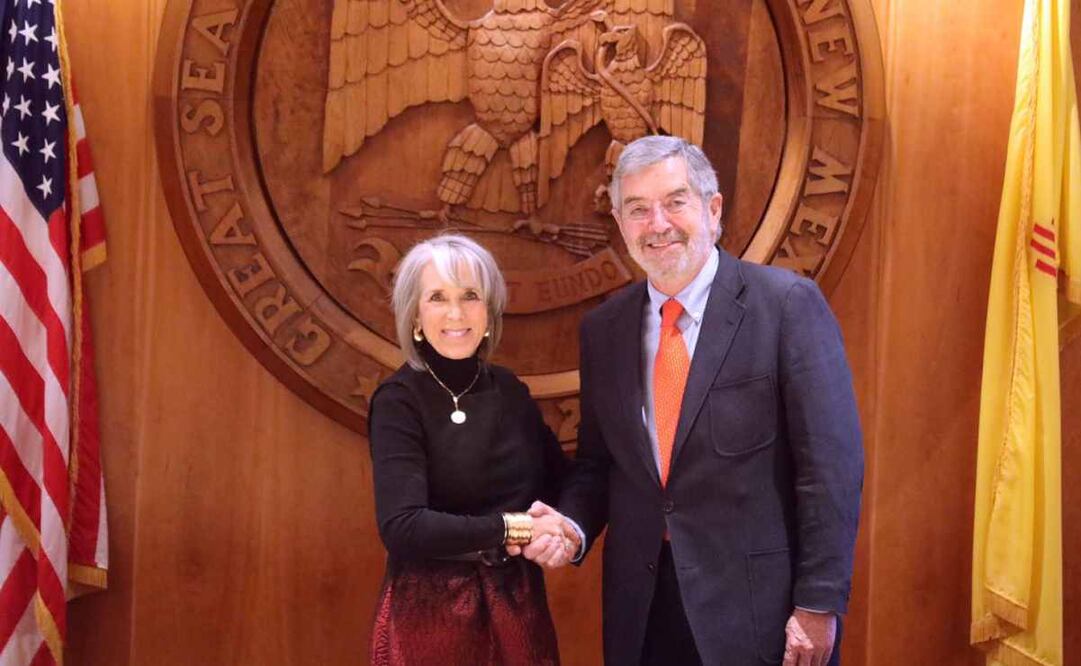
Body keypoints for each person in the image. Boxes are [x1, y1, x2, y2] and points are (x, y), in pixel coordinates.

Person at [519, 136, 864, 666]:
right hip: (644, 609)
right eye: (638, 209)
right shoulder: (604, 330)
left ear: (713, 208)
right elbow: (598, 465)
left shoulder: (786, 306)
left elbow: (829, 471)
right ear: (619, 221)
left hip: (759, 614)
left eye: (675, 202)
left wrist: (818, 604)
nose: (657, 224)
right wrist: (572, 526)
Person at [366, 234, 579, 666]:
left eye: (470, 296)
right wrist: (515, 528)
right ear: (415, 316)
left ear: (489, 312)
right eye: (438, 297)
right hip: (430, 615)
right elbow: (403, 526)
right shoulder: (398, 399)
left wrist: (565, 531)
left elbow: (566, 482)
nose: (456, 312)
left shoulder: (510, 391)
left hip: (518, 608)